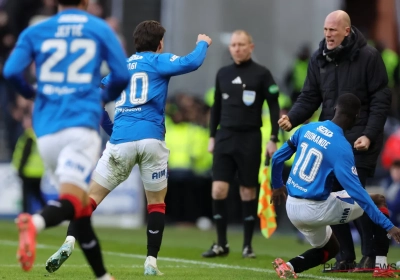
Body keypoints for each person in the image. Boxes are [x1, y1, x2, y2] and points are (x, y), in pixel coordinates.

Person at [44, 20, 212, 275]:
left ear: (135, 42)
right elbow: (192, 61)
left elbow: (96, 100)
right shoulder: (158, 60)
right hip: (151, 140)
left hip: (120, 141)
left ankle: (69, 241)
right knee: (156, 203)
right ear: (159, 44)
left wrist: (113, 131)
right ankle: (151, 262)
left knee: (89, 199)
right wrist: (202, 42)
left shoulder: (120, 68)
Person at [3, 0, 130, 279]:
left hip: (46, 130)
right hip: (80, 125)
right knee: (72, 200)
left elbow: (11, 71)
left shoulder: (37, 29)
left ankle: (102, 276)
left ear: (54, 1)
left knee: (81, 206)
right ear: (85, 2)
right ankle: (34, 223)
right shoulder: (99, 27)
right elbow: (122, 74)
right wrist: (102, 98)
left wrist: (32, 93)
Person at [278, 10, 392, 272]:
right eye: (325, 30)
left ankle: (373, 257)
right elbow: (309, 96)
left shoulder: (369, 57)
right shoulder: (319, 58)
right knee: (329, 197)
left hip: (361, 137)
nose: (327, 34)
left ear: (347, 31)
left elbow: (380, 100)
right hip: (330, 139)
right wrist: (292, 118)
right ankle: (344, 257)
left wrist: (370, 134)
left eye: (333, 30)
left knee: (356, 194)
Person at [270, 93, 400, 279]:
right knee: (378, 200)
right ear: (356, 117)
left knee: (332, 248)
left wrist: (277, 186)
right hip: (315, 209)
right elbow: (357, 193)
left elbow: (276, 158)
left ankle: (289, 267)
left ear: (335, 109)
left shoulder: (307, 129)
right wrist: (389, 226)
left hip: (292, 207)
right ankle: (381, 266)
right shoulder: (341, 147)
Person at [202, 30, 280, 258]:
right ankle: (221, 243)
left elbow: (274, 106)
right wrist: (211, 136)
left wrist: (274, 138)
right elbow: (216, 106)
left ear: (251, 47)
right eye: (233, 44)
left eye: (241, 44)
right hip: (225, 136)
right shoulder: (223, 73)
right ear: (230, 48)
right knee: (218, 189)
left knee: (247, 190)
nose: (237, 48)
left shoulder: (262, 74)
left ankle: (247, 245)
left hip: (250, 138)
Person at [12, 103, 46, 214]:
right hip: (38, 171)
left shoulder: (29, 136)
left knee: (26, 195)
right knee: (37, 194)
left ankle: (25, 215)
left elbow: (24, 155)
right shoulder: (38, 135)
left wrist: (20, 169)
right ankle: (48, 212)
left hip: (28, 171)